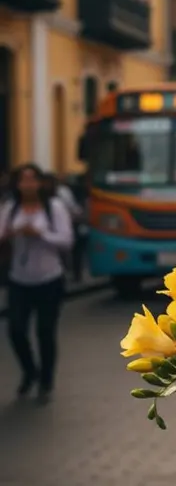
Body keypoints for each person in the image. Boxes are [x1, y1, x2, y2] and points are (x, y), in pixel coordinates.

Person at [0, 163, 74, 401]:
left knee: (45, 331)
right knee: (16, 330)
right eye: (23, 180)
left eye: (32, 179)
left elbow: (66, 240)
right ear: (17, 184)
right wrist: (11, 233)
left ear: (41, 183)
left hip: (49, 279)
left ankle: (46, 381)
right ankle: (30, 371)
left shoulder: (54, 208)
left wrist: (40, 234)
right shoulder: (11, 208)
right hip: (19, 280)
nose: (28, 184)